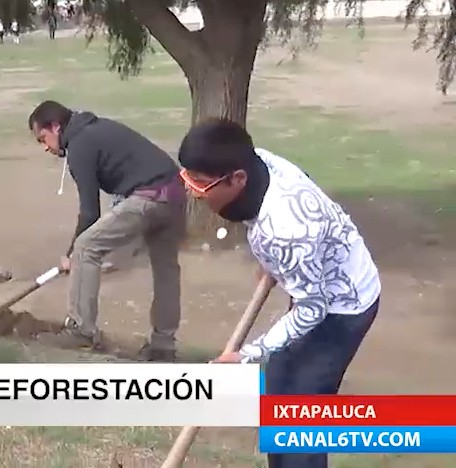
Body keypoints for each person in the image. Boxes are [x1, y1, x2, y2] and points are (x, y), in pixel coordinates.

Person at [178, 119, 381, 468]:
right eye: (188, 178)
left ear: (237, 178)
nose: (192, 191)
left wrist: (245, 356)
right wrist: (278, 261)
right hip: (313, 283)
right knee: (276, 400)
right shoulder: (259, 163)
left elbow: (312, 309)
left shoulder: (286, 230)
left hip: (342, 306)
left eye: (199, 183)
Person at [28, 100, 186, 361]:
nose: (45, 147)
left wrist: (70, 254)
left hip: (148, 197)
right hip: (175, 193)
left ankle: (81, 330)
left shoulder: (79, 144)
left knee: (86, 247)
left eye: (42, 138)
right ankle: (163, 344)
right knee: (166, 268)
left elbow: (90, 211)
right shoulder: (95, 129)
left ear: (55, 127)